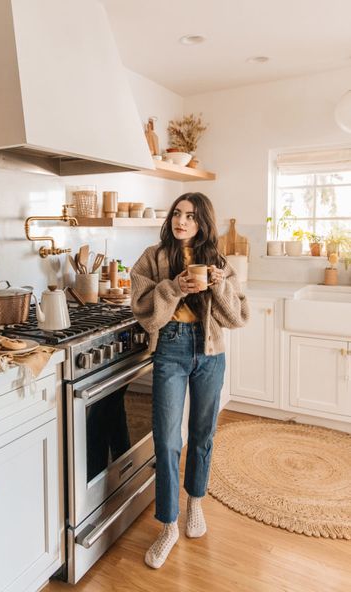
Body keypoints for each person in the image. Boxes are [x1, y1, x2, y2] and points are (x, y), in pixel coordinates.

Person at [130, 192, 249, 569]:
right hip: (171, 348)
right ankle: (167, 525)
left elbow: (237, 316)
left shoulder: (218, 262)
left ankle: (195, 505)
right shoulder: (153, 257)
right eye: (178, 214)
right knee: (167, 439)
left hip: (210, 351)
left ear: (203, 223)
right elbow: (144, 312)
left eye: (192, 216)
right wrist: (176, 288)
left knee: (202, 434)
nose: (182, 221)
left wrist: (218, 285)